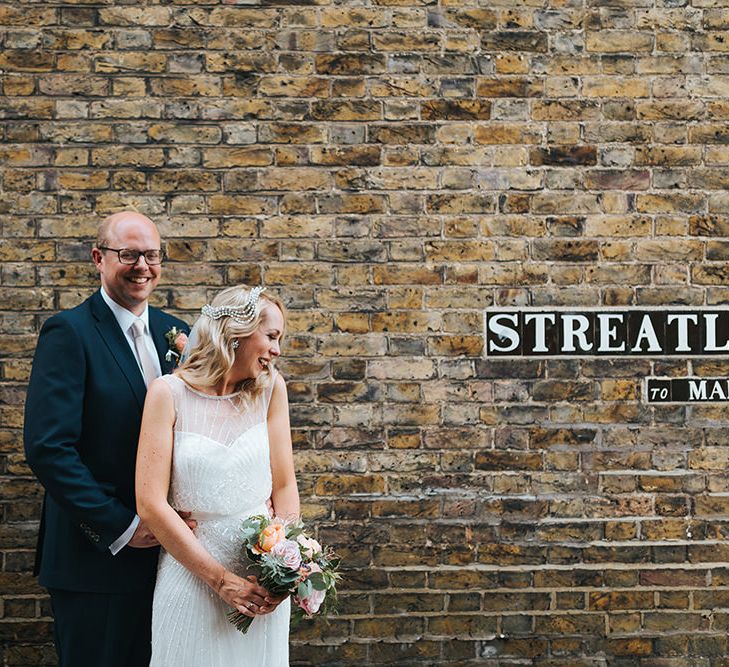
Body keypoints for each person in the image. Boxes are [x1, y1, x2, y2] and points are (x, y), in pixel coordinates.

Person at [24, 211, 190, 666]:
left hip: (169, 564)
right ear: (99, 258)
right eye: (129, 254)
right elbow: (48, 447)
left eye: (152, 255)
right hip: (96, 561)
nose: (143, 266)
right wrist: (122, 527)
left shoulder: (178, 334)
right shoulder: (69, 332)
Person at [135, 284, 299, 667]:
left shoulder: (272, 389)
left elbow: (285, 485)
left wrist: (285, 567)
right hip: (192, 577)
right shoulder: (167, 393)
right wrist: (220, 580)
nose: (277, 350)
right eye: (271, 337)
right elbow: (150, 503)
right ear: (237, 332)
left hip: (260, 588)